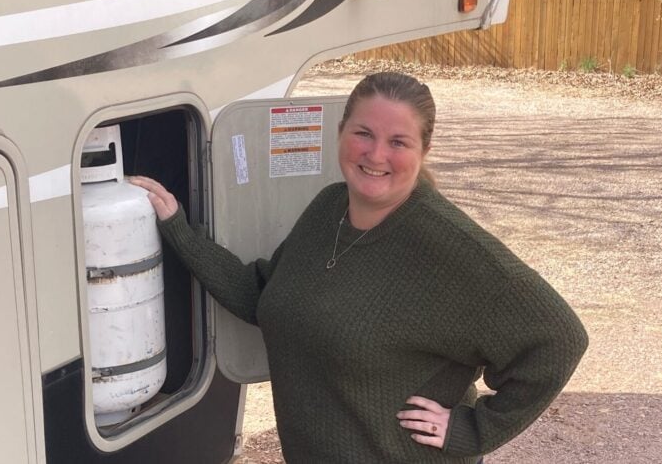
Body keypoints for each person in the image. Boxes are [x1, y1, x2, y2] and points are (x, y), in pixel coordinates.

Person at [131, 72, 588, 463]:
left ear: (423, 150)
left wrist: (472, 429)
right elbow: (264, 297)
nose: (375, 155)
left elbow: (559, 339)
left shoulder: (450, 246)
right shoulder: (329, 207)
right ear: (341, 134)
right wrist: (178, 229)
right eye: (363, 133)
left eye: (398, 142)